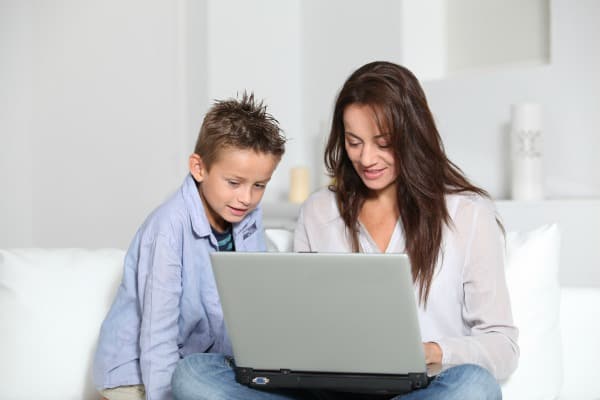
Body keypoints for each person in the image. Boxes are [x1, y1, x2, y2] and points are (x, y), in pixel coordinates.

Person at [292, 61, 519, 399]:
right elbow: (300, 322)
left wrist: (432, 352)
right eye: (354, 142)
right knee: (197, 374)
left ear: (412, 135)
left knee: (474, 388)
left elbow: (502, 348)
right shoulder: (319, 210)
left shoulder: (467, 215)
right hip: (334, 389)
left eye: (383, 142)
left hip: (424, 390)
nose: (367, 158)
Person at [92, 92, 286, 400]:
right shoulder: (167, 227)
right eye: (234, 183)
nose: (246, 198)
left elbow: (251, 304)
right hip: (137, 375)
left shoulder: (249, 217)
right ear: (199, 168)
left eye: (259, 185)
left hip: (198, 363)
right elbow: (158, 337)